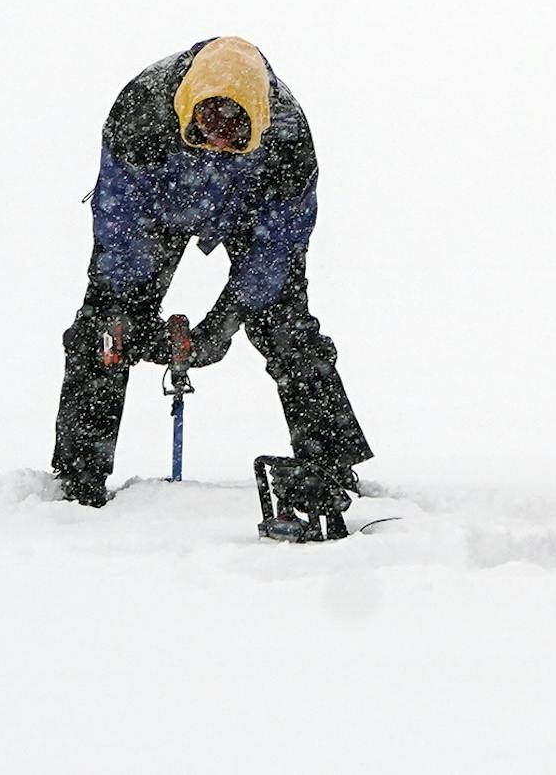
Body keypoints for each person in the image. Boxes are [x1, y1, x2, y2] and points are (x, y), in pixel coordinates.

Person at [51, 37, 371, 512]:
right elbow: (120, 222)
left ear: (258, 122)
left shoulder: (288, 139)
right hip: (155, 209)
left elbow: (277, 249)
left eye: (236, 131)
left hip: (252, 214)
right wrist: (127, 308)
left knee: (285, 326)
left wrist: (222, 324)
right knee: (104, 330)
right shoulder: (140, 112)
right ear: (188, 110)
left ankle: (329, 465)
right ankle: (79, 478)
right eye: (208, 125)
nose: (220, 142)